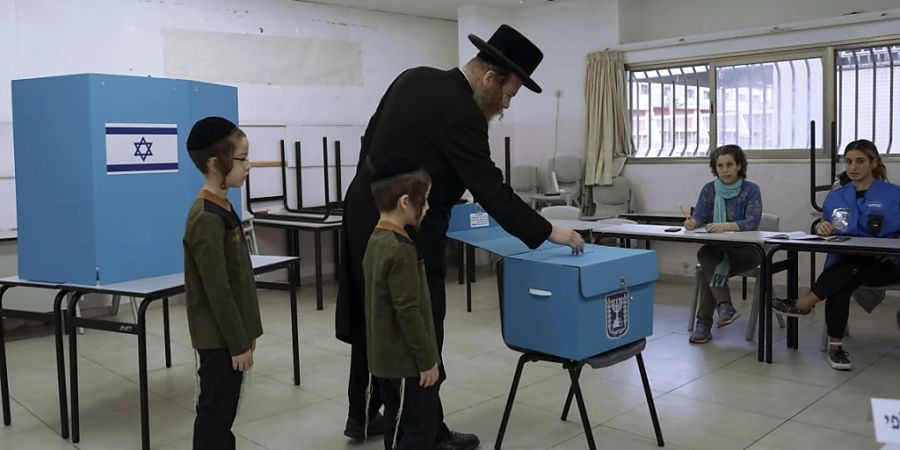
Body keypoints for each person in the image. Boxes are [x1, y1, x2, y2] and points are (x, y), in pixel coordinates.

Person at [335, 24, 585, 449]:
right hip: (410, 228)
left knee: (373, 315)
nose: (505, 106)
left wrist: (378, 192)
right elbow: (491, 188)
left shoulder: (413, 76)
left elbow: (369, 140)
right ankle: (425, 432)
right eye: (507, 94)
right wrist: (549, 231)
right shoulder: (464, 114)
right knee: (423, 323)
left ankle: (361, 416)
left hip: (364, 209)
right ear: (489, 78)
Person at [773, 139, 900, 370]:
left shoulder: (894, 194)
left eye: (860, 161)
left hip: (887, 265)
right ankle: (836, 348)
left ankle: (804, 304)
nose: (853, 167)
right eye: (849, 161)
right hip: (849, 265)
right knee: (844, 277)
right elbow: (827, 226)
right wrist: (821, 228)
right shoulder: (837, 197)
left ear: (873, 163)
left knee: (845, 271)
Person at [182, 117, 259, 449]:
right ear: (215, 163)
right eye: (241, 159)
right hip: (219, 340)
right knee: (215, 415)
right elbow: (218, 290)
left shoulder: (223, 208)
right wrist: (237, 343)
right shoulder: (205, 217)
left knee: (225, 413)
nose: (248, 166)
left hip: (231, 334)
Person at [364, 156, 441, 450]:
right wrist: (427, 361)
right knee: (416, 431)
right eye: (426, 200)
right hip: (408, 364)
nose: (429, 207)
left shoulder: (376, 238)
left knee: (397, 424)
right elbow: (408, 310)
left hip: (386, 361)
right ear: (406, 202)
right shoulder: (401, 249)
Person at [685, 144, 762, 344]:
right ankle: (724, 306)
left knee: (707, 268)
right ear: (715, 168)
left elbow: (753, 222)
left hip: (746, 252)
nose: (725, 170)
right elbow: (699, 216)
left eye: (729, 165)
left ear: (739, 166)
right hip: (718, 250)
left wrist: (725, 226)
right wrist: (692, 222)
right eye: (720, 166)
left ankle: (704, 324)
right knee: (707, 256)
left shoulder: (751, 189)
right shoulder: (709, 190)